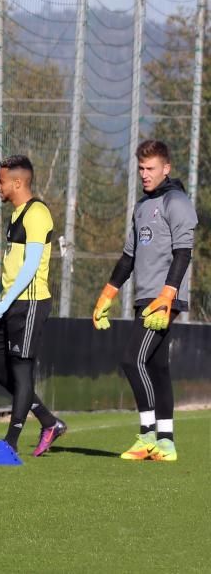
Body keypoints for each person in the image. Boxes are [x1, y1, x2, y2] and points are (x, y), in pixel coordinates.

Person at [91, 140, 196, 462]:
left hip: (163, 298)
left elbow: (183, 253)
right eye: (141, 169)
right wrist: (107, 293)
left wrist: (168, 295)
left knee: (131, 359)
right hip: (143, 296)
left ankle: (147, 434)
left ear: (166, 168)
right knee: (157, 367)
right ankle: (166, 442)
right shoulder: (141, 206)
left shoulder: (177, 202)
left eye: (151, 169)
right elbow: (128, 257)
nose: (145, 174)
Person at [0, 155, 66, 456]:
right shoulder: (16, 214)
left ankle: (10, 442)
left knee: (21, 371)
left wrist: (5, 303)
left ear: (17, 183)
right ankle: (48, 420)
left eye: (1, 181)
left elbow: (30, 266)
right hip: (10, 303)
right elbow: (11, 266)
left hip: (30, 304)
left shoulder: (37, 214)